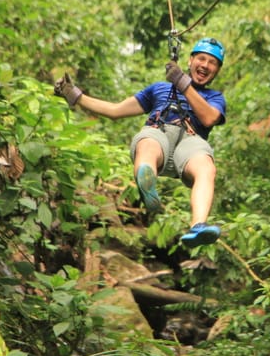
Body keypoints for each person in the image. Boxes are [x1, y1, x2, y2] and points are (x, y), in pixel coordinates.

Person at [54, 37, 227, 247]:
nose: (206, 65)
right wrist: (76, 96)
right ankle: (147, 180)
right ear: (190, 60)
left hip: (190, 143)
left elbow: (209, 118)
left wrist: (183, 83)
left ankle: (198, 225)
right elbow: (115, 111)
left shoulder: (214, 97)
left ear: (216, 71)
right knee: (147, 144)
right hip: (159, 132)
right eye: (201, 59)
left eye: (212, 63)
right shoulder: (158, 89)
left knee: (206, 168)